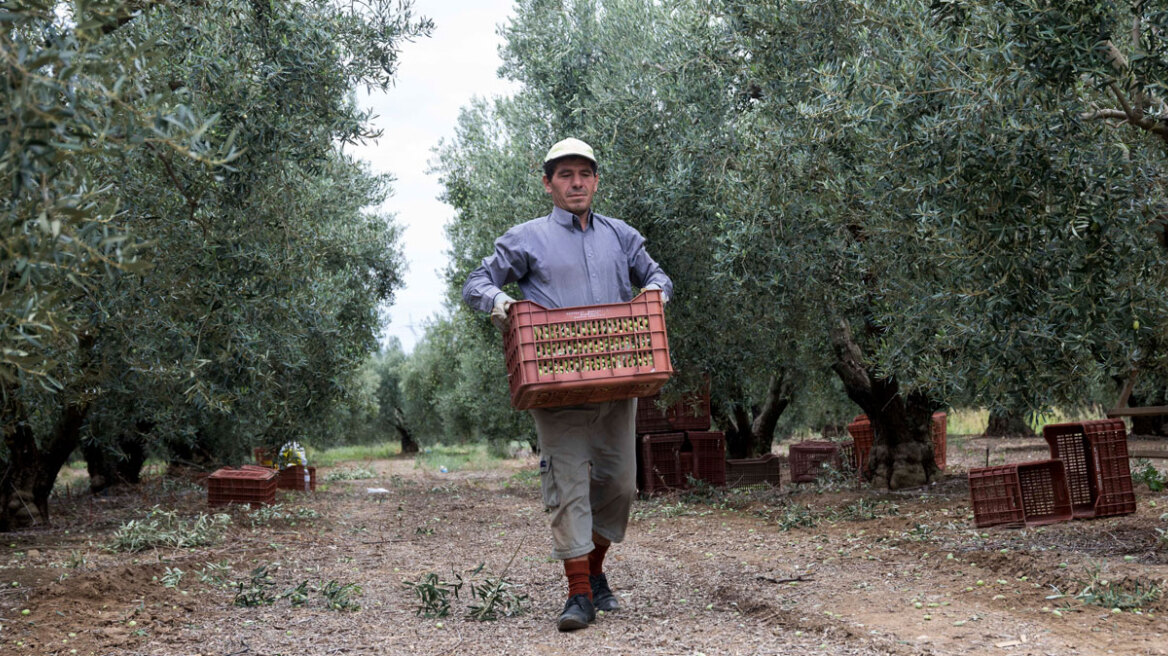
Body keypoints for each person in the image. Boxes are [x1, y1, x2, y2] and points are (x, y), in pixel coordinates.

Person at [462, 137, 673, 631]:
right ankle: (578, 594)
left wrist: (654, 293)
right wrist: (506, 306)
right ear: (548, 183)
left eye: (584, 174)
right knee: (568, 486)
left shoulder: (622, 236)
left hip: (618, 381)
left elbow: (658, 275)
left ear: (596, 180)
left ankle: (595, 574)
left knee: (619, 486)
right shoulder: (526, 238)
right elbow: (476, 282)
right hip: (556, 386)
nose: (576, 183)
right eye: (565, 175)